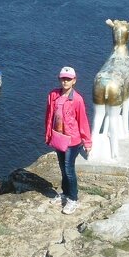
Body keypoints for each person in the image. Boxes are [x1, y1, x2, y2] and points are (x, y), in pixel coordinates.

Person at [45, 66, 92, 214]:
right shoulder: (53, 95)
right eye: (63, 78)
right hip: (59, 138)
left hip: (73, 140)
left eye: (68, 79)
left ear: (74, 81)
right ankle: (65, 193)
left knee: (69, 169)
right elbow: (49, 117)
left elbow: (83, 121)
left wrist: (87, 142)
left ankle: (73, 198)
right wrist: (48, 135)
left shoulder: (77, 99)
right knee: (62, 168)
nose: (65, 81)